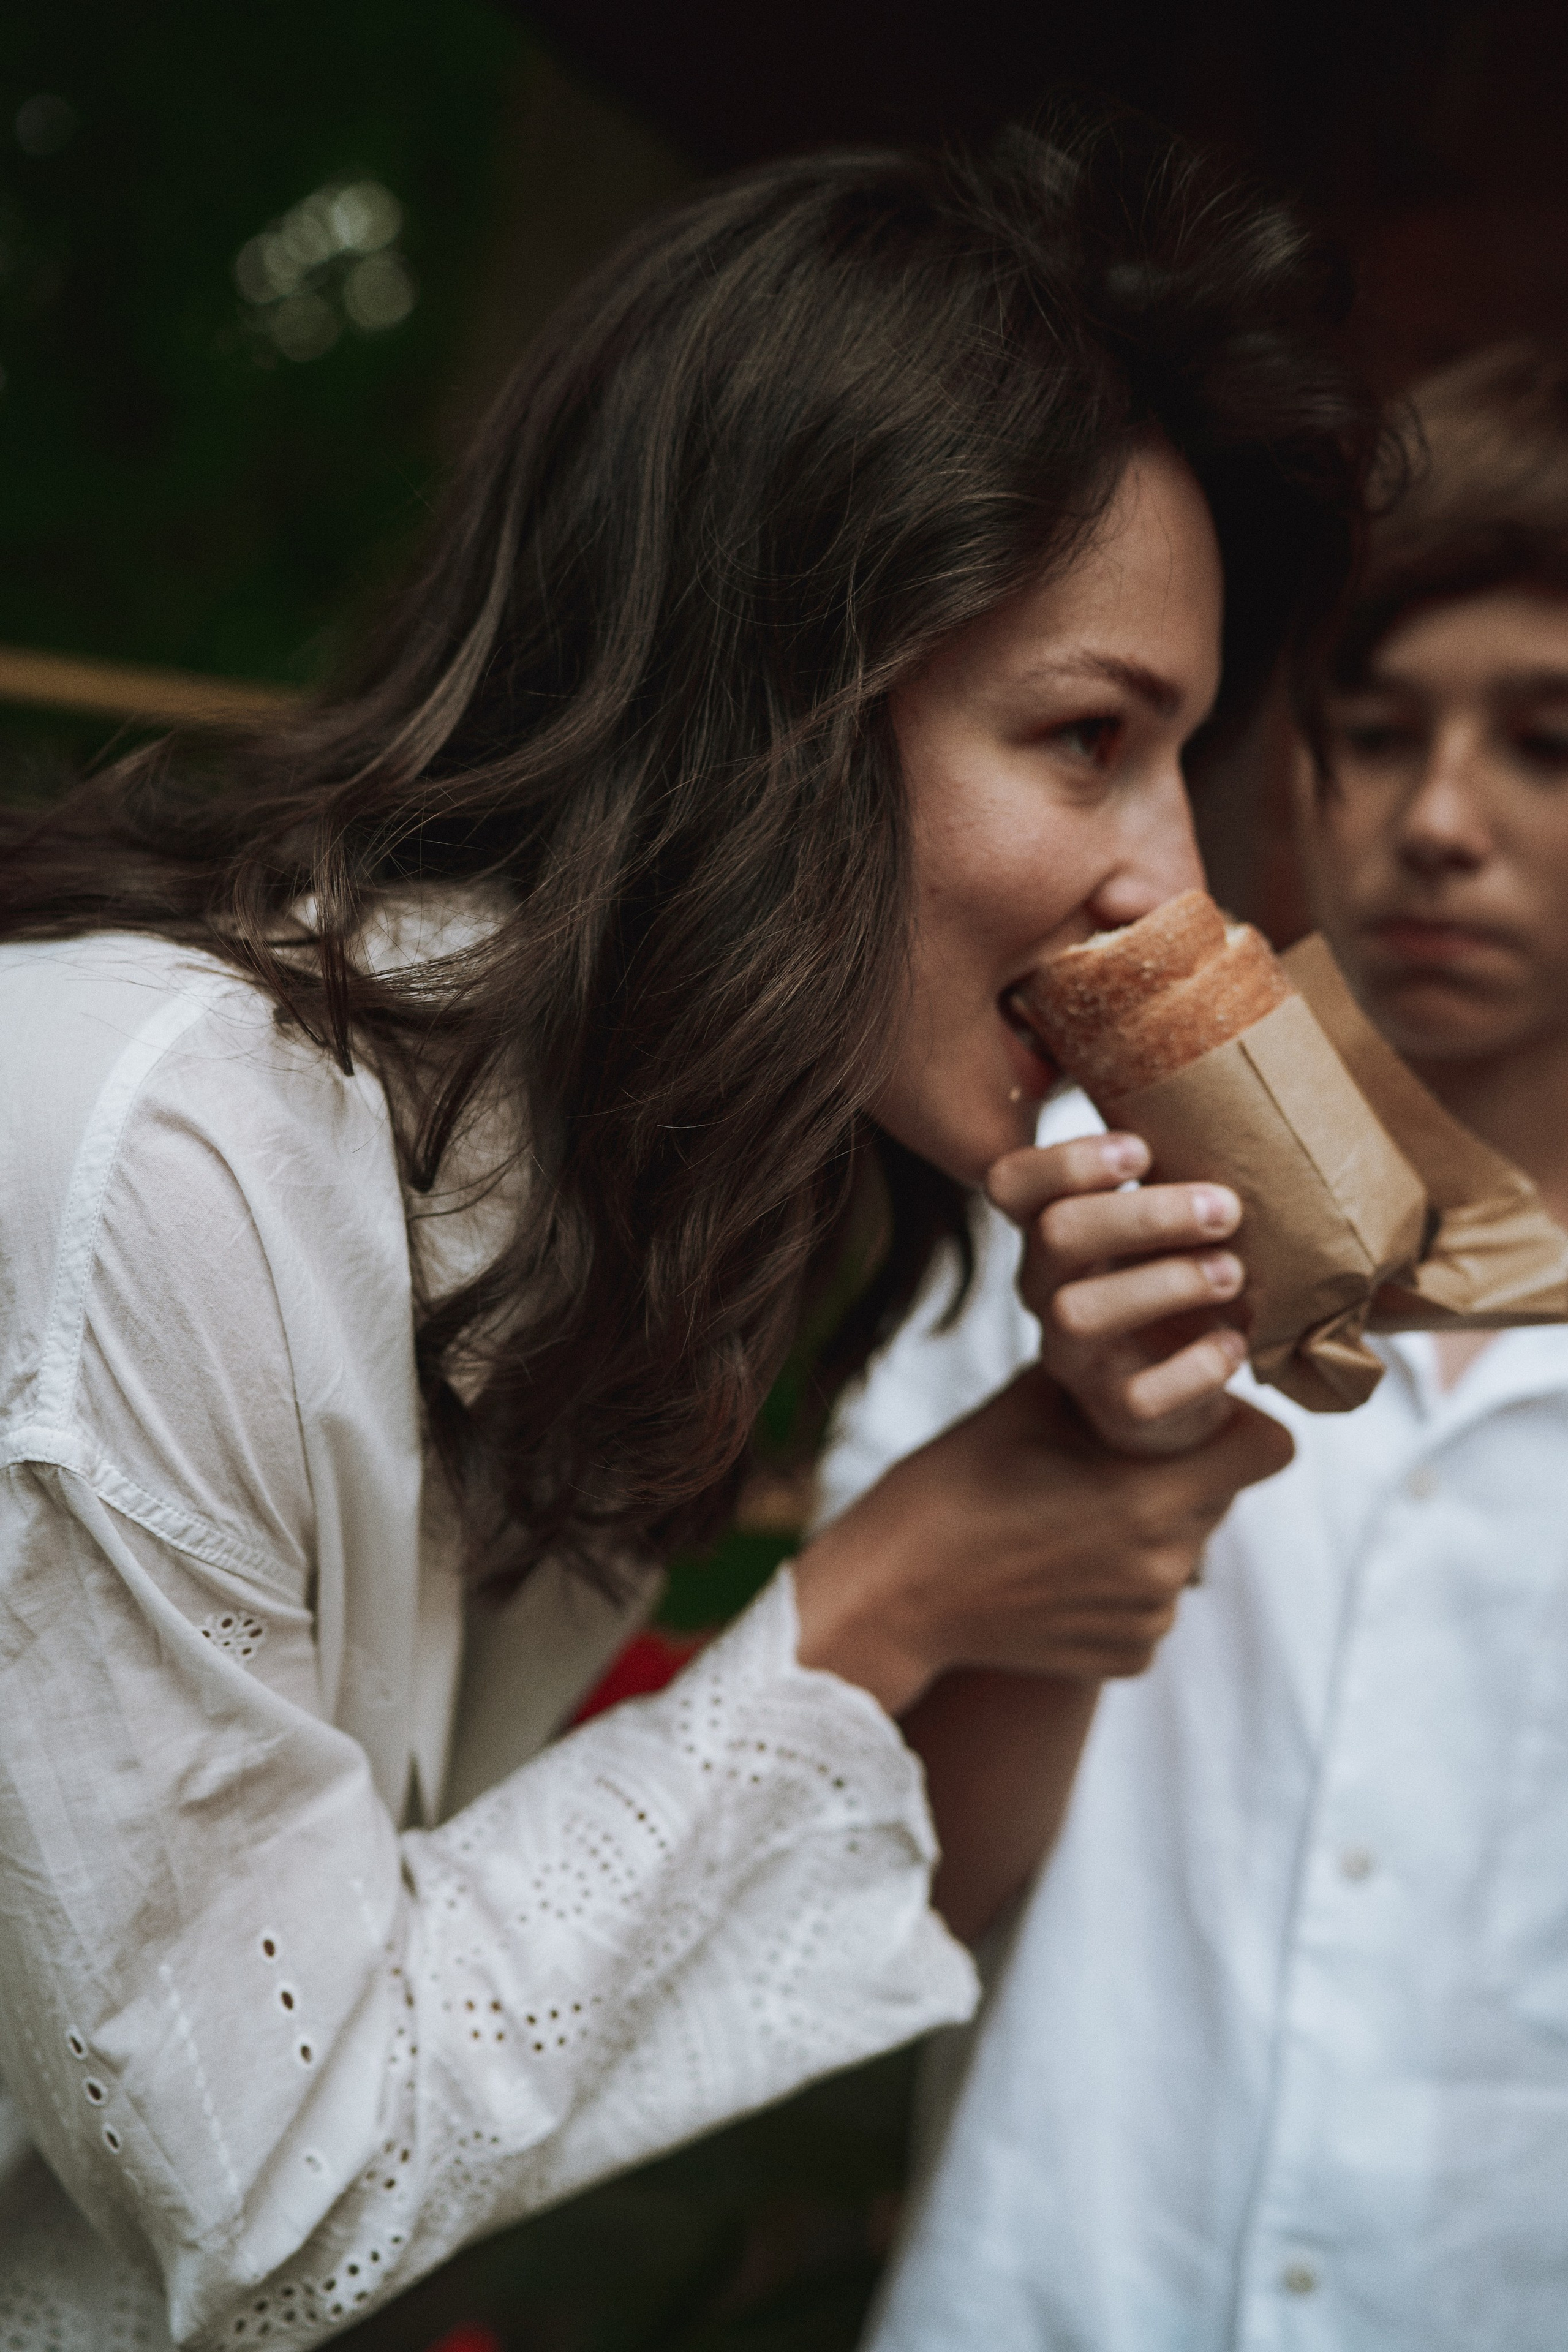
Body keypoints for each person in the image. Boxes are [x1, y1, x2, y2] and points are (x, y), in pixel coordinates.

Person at [0, 115, 1363, 2348]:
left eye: (1182, 760)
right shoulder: (157, 1168)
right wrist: (889, 1585)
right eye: (1090, 739)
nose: (1173, 887)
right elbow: (249, 2199)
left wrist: (1079, 1493)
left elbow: (883, 1882)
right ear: (767, 705)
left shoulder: (674, 1185)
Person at [849, 339, 1568, 2351]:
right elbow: (891, 1903)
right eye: (1372, 728)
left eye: (1550, 741)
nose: (1439, 823)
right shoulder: (1044, 1191)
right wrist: (1089, 1453)